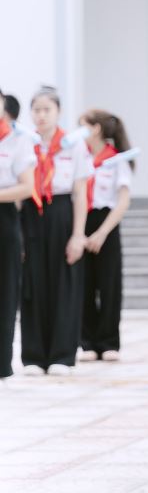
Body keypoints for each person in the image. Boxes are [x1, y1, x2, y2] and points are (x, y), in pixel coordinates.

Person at [21, 86, 92, 376]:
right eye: (36, 110)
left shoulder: (73, 145)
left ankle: (63, 355)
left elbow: (81, 193)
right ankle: (34, 356)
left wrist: (78, 234)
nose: (41, 115)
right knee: (32, 283)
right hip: (31, 212)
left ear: (58, 112)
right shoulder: (26, 144)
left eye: (46, 109)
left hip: (62, 212)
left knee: (65, 283)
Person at [78, 109, 134, 362]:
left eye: (83, 126)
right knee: (84, 284)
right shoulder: (80, 157)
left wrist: (101, 233)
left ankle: (109, 341)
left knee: (109, 285)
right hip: (83, 220)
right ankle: (87, 341)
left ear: (96, 129)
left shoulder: (116, 160)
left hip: (107, 224)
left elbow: (122, 201)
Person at [0, 87, 35, 382]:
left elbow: (27, 186)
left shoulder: (18, 140)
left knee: (6, 290)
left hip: (4, 218)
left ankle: (2, 362)